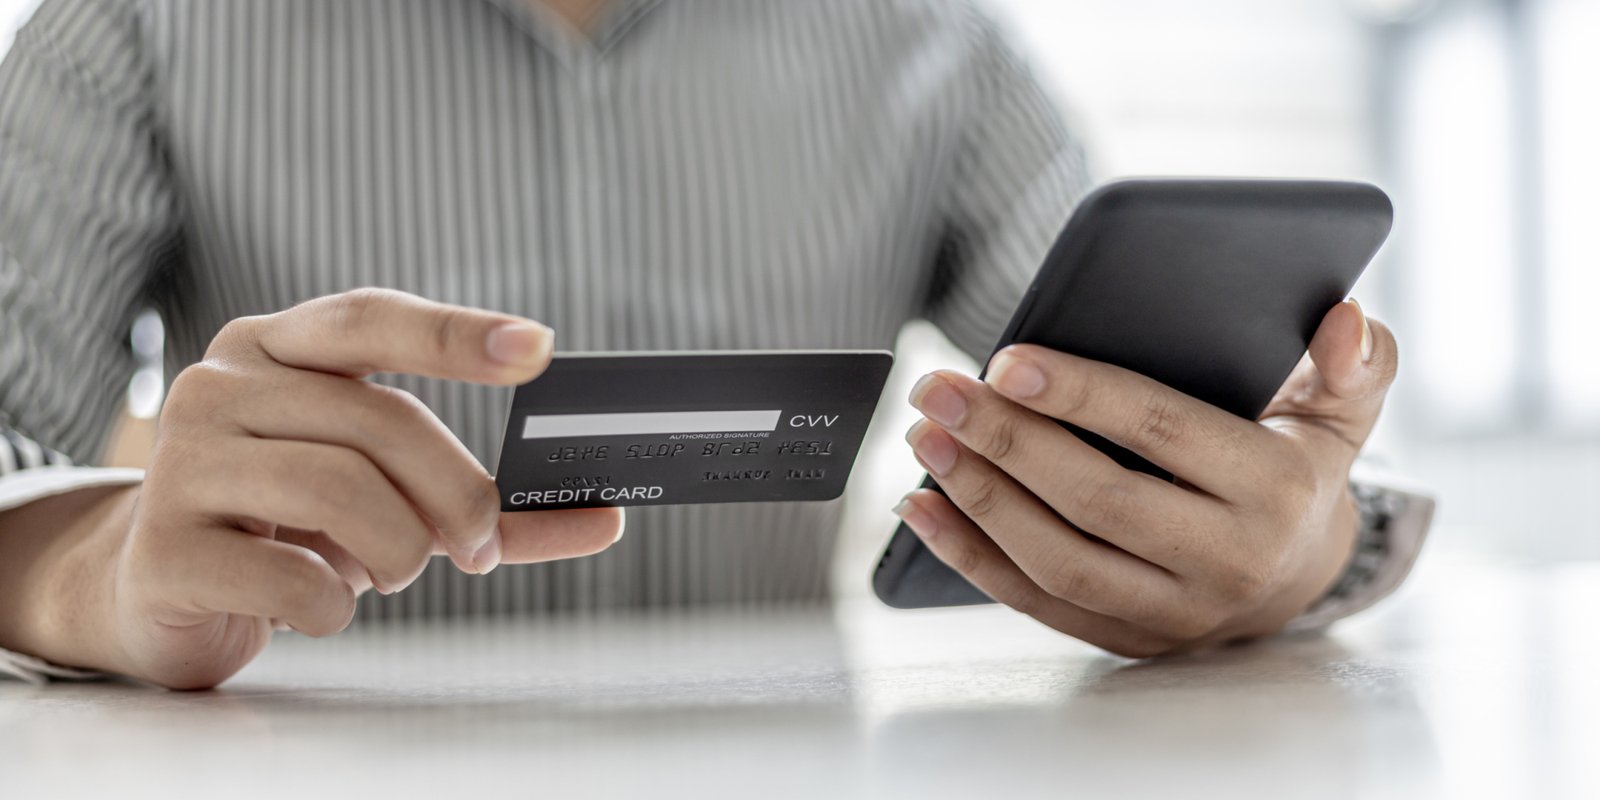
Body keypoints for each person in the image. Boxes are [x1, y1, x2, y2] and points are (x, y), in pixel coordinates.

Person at [0, 0, 1432, 689]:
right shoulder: (138, 22)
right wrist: (82, 568)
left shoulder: (932, 40)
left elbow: (1152, 431)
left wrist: (1291, 548)